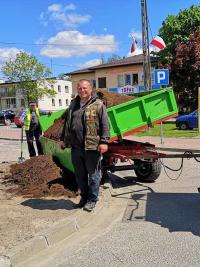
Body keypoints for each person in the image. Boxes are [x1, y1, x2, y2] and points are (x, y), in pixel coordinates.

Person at [60, 79, 110, 212]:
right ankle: (84, 197)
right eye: (80, 88)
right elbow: (67, 124)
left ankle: (92, 200)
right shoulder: (73, 105)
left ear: (91, 89)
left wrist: (104, 142)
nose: (82, 90)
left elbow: (105, 124)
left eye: (85, 88)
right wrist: (63, 139)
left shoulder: (98, 105)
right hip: (76, 148)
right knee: (80, 175)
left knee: (93, 175)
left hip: (91, 147)